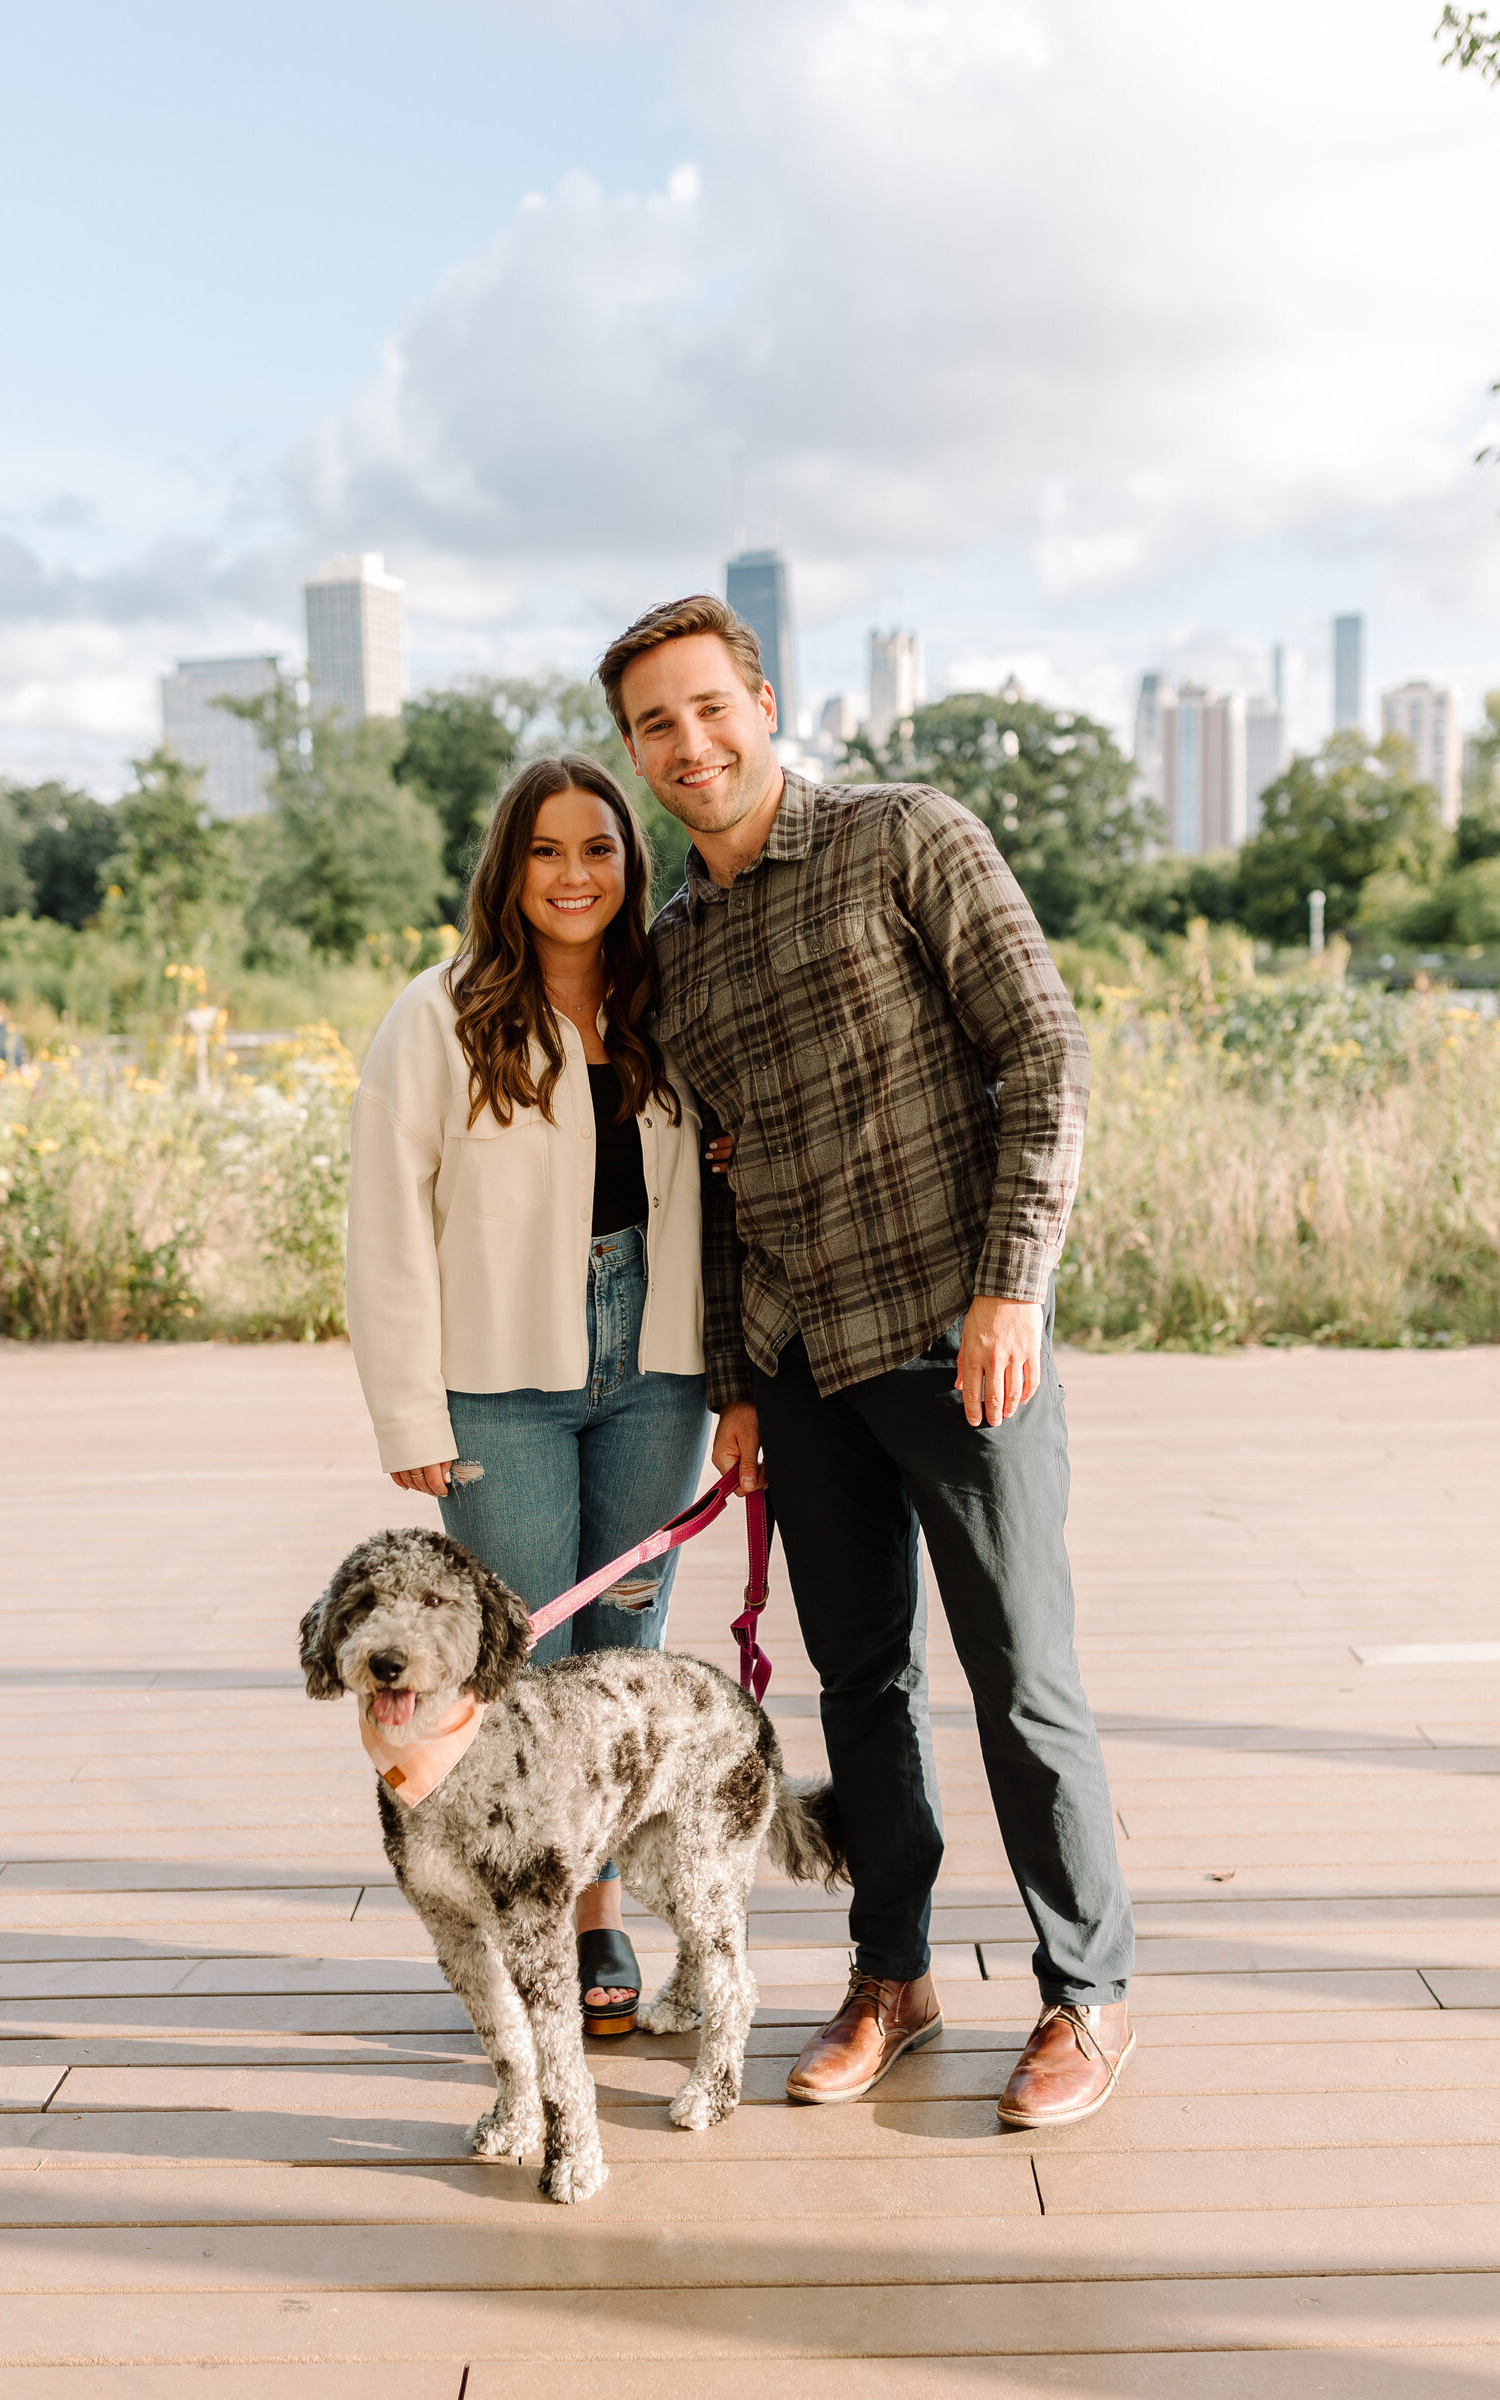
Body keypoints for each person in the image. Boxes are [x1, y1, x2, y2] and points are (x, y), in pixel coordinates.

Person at [593, 595, 1136, 2126]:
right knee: (859, 1681)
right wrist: (734, 1388)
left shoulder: (906, 836)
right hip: (801, 1366)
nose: (687, 743)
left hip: (961, 1344)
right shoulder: (673, 950)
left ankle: (1084, 1996)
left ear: (764, 702)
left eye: (708, 706)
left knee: (1024, 1678)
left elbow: (1044, 1053)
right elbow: (711, 1179)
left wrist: (1012, 1286)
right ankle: (891, 1974)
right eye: (654, 723)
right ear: (635, 752)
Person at [345, 751, 718, 2037]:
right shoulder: (436, 1014)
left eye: (599, 849)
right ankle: (531, 1923)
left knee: (622, 1665)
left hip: (656, 1370)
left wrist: (738, 1384)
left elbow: (722, 1195)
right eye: (547, 851)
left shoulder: (671, 999)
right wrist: (409, 1412)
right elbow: (386, 1226)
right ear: (509, 870)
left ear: (633, 864)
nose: (575, 875)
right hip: (497, 1384)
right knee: (521, 1665)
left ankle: (595, 1915)